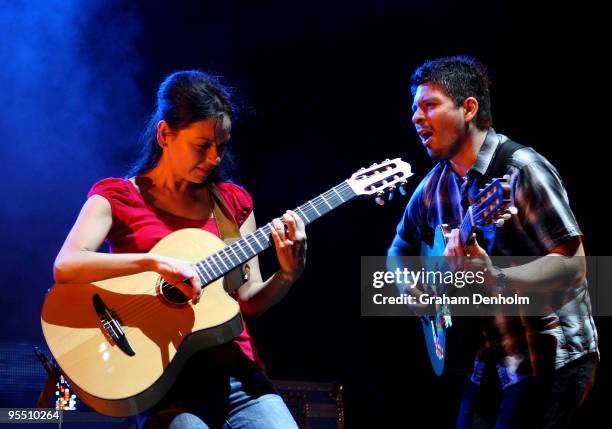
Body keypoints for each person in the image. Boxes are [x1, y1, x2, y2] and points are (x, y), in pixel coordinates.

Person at [53, 70, 306, 428]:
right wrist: (156, 263)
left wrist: (288, 273)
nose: (215, 157)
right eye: (202, 146)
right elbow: (66, 265)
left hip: (239, 378)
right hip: (163, 386)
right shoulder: (117, 197)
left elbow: (250, 298)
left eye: (222, 146)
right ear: (165, 134)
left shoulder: (233, 203)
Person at [387, 56, 598, 428]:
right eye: (413, 109)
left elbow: (575, 266)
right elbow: (398, 250)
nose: (416, 118)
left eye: (429, 105)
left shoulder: (521, 170)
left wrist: (495, 277)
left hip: (551, 355)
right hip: (491, 358)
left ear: (468, 108)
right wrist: (411, 290)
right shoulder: (434, 186)